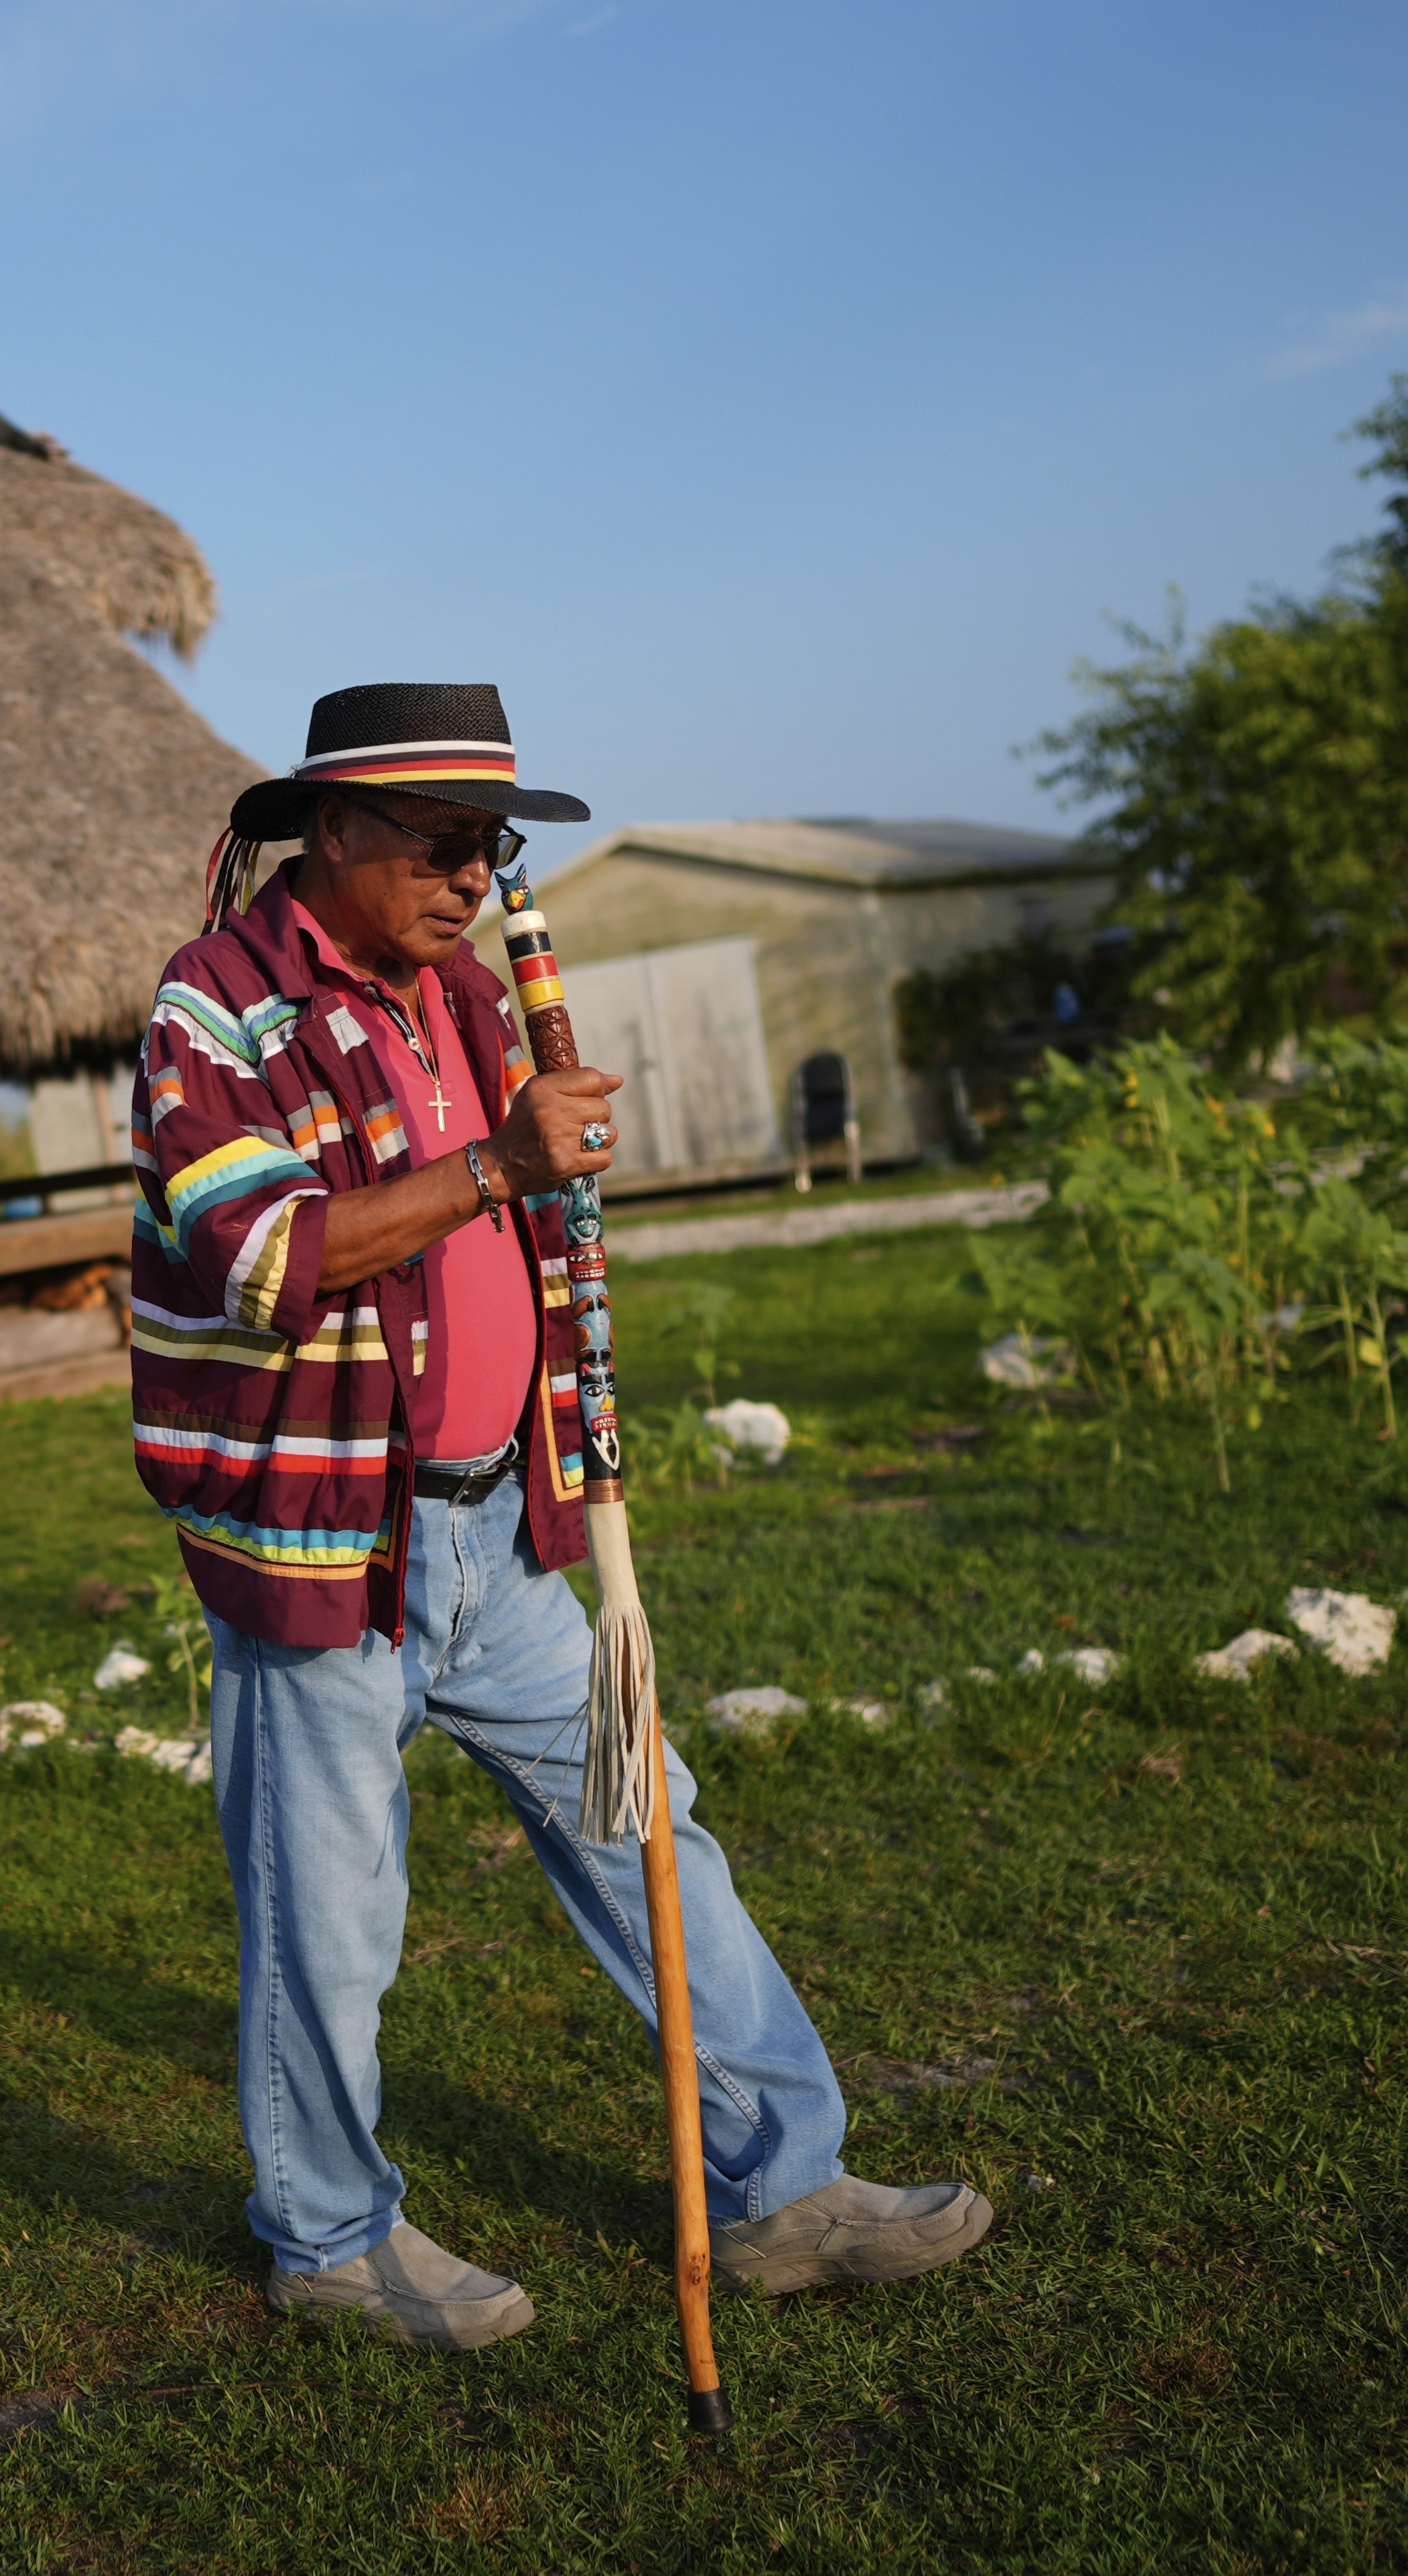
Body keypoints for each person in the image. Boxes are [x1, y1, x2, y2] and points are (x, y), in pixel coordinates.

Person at [129, 682, 991, 2349]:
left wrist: (557, 1324)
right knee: (329, 1902)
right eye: (444, 841)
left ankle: (783, 2186)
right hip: (332, 1542)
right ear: (337, 829)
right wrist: (497, 1172)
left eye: (494, 845)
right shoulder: (216, 1004)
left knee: (649, 1823)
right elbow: (259, 1264)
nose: (475, 876)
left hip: (500, 1533)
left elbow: (517, 1241)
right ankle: (326, 2236)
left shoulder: (461, 994)